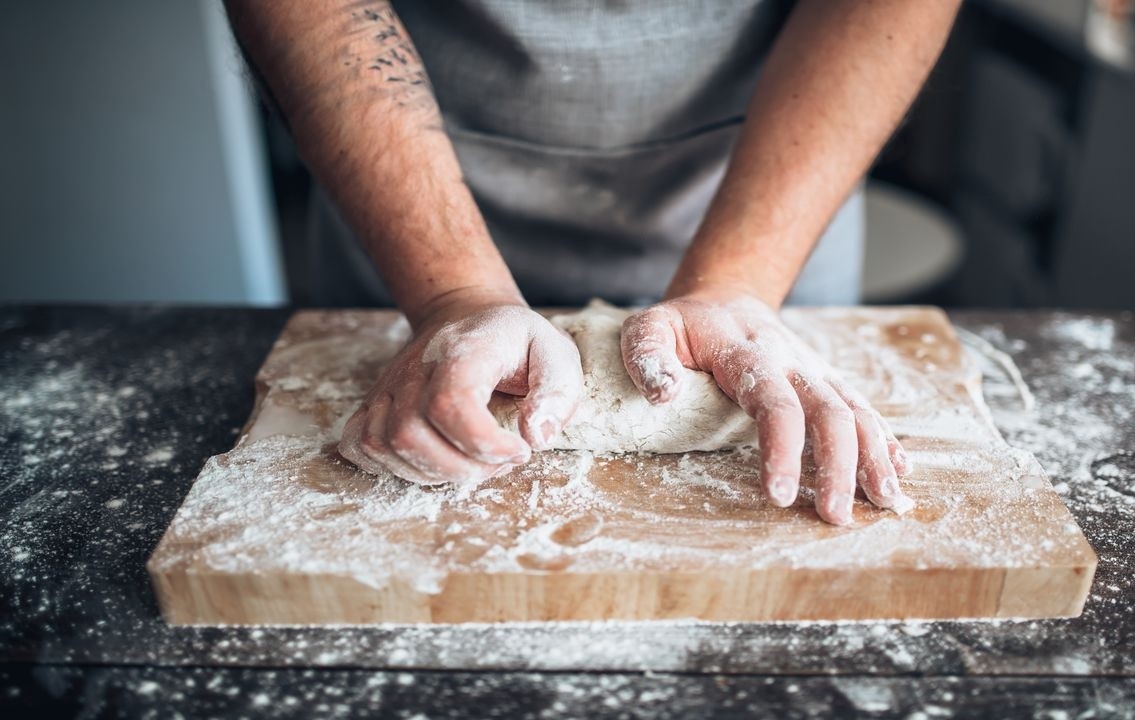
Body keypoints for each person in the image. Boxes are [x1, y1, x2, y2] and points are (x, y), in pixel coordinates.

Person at [225, 0, 959, 525]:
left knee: (773, 398)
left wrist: (739, 282)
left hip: (773, 175)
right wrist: (451, 291)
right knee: (439, 404)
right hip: (403, 178)